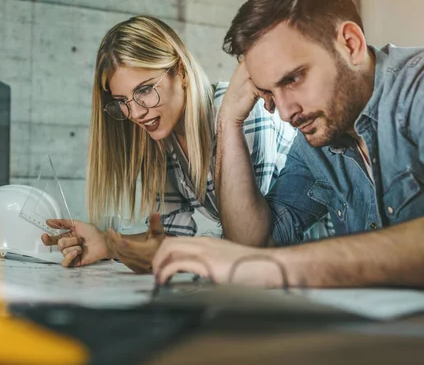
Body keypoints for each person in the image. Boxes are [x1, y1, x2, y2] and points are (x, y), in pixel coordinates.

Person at [153, 0, 424, 288]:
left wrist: (275, 267)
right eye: (269, 91)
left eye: (292, 79)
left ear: (350, 44)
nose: (285, 112)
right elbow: (254, 244)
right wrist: (229, 119)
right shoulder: (316, 140)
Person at [42, 15, 329, 272]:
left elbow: (249, 241)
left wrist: (121, 246)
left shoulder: (240, 113)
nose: (137, 113)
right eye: (122, 102)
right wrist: (105, 243)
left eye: (144, 90)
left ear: (180, 72)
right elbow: (174, 238)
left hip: (317, 267)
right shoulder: (160, 136)